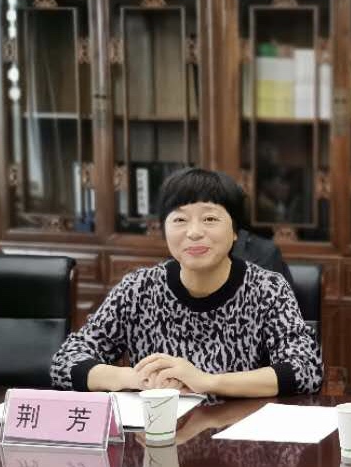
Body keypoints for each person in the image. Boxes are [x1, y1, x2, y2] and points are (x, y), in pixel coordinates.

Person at [50, 167, 322, 396]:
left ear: (235, 232)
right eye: (180, 219)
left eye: (210, 218)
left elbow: (306, 369)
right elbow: (66, 361)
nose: (194, 232)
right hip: (156, 433)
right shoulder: (138, 289)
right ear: (164, 229)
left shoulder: (267, 289)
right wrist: (136, 378)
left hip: (237, 435)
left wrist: (206, 381)